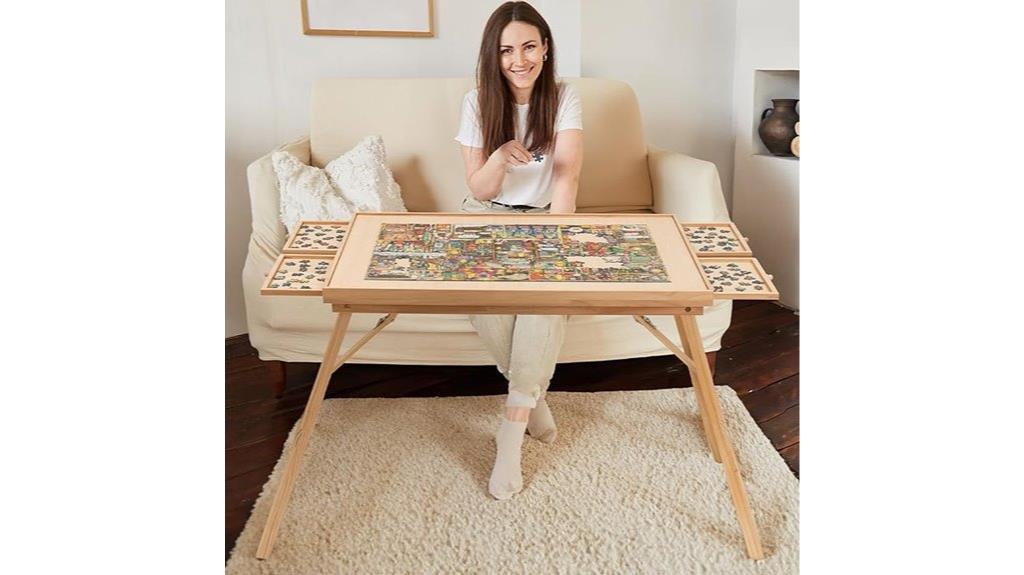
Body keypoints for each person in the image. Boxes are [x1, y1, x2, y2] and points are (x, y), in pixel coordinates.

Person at [454, 1, 584, 500]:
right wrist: (498, 158)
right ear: (495, 54)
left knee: (541, 296)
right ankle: (533, 396)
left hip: (545, 217)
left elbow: (568, 173)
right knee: (485, 302)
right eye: (507, 50)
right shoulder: (477, 101)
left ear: (546, 49)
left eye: (529, 46)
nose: (519, 59)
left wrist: (557, 238)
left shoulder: (566, 97)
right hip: (485, 216)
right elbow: (479, 189)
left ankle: (511, 430)